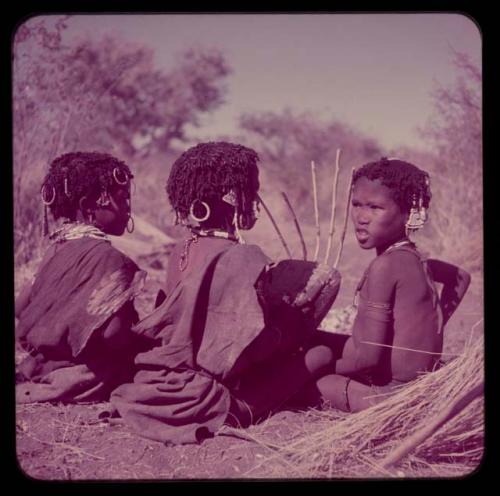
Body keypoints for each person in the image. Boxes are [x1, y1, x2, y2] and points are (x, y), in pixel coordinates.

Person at [110, 142, 340, 444]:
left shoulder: (180, 250)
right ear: (233, 196)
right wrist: (288, 331)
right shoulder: (245, 258)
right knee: (321, 354)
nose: (255, 203)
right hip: (209, 400)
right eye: (251, 193)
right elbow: (250, 353)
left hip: (161, 383)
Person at [304, 157, 471, 412]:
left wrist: (323, 366)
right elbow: (461, 277)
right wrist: (432, 328)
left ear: (407, 213)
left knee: (312, 381)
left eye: (375, 207)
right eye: (357, 204)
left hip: (390, 398)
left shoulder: (385, 266)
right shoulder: (416, 259)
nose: (361, 217)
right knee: (315, 341)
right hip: (416, 387)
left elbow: (367, 360)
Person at [15, 152, 150, 403]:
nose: (128, 208)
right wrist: (139, 339)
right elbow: (113, 336)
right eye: (122, 199)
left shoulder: (55, 248)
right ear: (89, 207)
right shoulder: (110, 258)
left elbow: (20, 307)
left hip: (41, 367)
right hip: (87, 373)